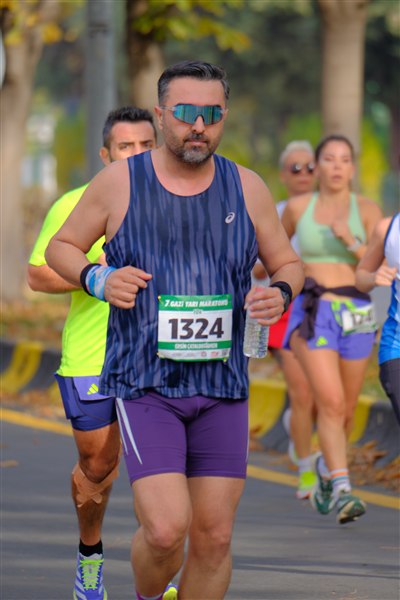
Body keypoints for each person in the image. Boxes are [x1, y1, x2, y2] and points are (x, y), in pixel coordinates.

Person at [45, 60, 305, 600]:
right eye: (186, 112)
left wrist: (279, 292)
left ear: (224, 116)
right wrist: (98, 278)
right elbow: (60, 247)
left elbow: (287, 263)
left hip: (222, 386)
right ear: (161, 115)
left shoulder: (246, 186)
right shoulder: (120, 182)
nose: (199, 126)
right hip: (147, 386)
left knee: (215, 537)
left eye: (212, 114)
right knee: (166, 531)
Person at [27, 106, 157, 600]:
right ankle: (90, 558)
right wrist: (93, 272)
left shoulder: (178, 200)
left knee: (160, 468)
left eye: (146, 145)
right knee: (98, 466)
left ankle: (159, 565)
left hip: (158, 354)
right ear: (106, 154)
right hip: (91, 356)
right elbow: (38, 275)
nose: (137, 154)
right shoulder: (76, 203)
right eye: (126, 147)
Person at [281, 133, 382, 524]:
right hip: (314, 309)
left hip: (357, 311)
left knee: (347, 410)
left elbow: (376, 267)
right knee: (331, 401)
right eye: (329, 159)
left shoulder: (367, 210)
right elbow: (271, 254)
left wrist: (351, 240)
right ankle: (342, 489)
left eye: (344, 159)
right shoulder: (298, 207)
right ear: (317, 166)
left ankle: (327, 466)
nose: (337, 166)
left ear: (352, 169)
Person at [253, 140, 319, 500]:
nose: (304, 174)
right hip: (287, 308)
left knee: (325, 393)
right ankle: (307, 468)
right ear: (283, 175)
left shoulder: (333, 211)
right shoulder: (276, 212)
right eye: (296, 168)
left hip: (326, 310)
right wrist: (292, 265)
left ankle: (297, 426)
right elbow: (258, 268)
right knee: (302, 388)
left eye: (310, 167)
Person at [355, 213, 400, 424]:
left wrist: (350, 240)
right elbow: (361, 276)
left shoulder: (367, 209)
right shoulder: (388, 228)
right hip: (396, 345)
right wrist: (374, 277)